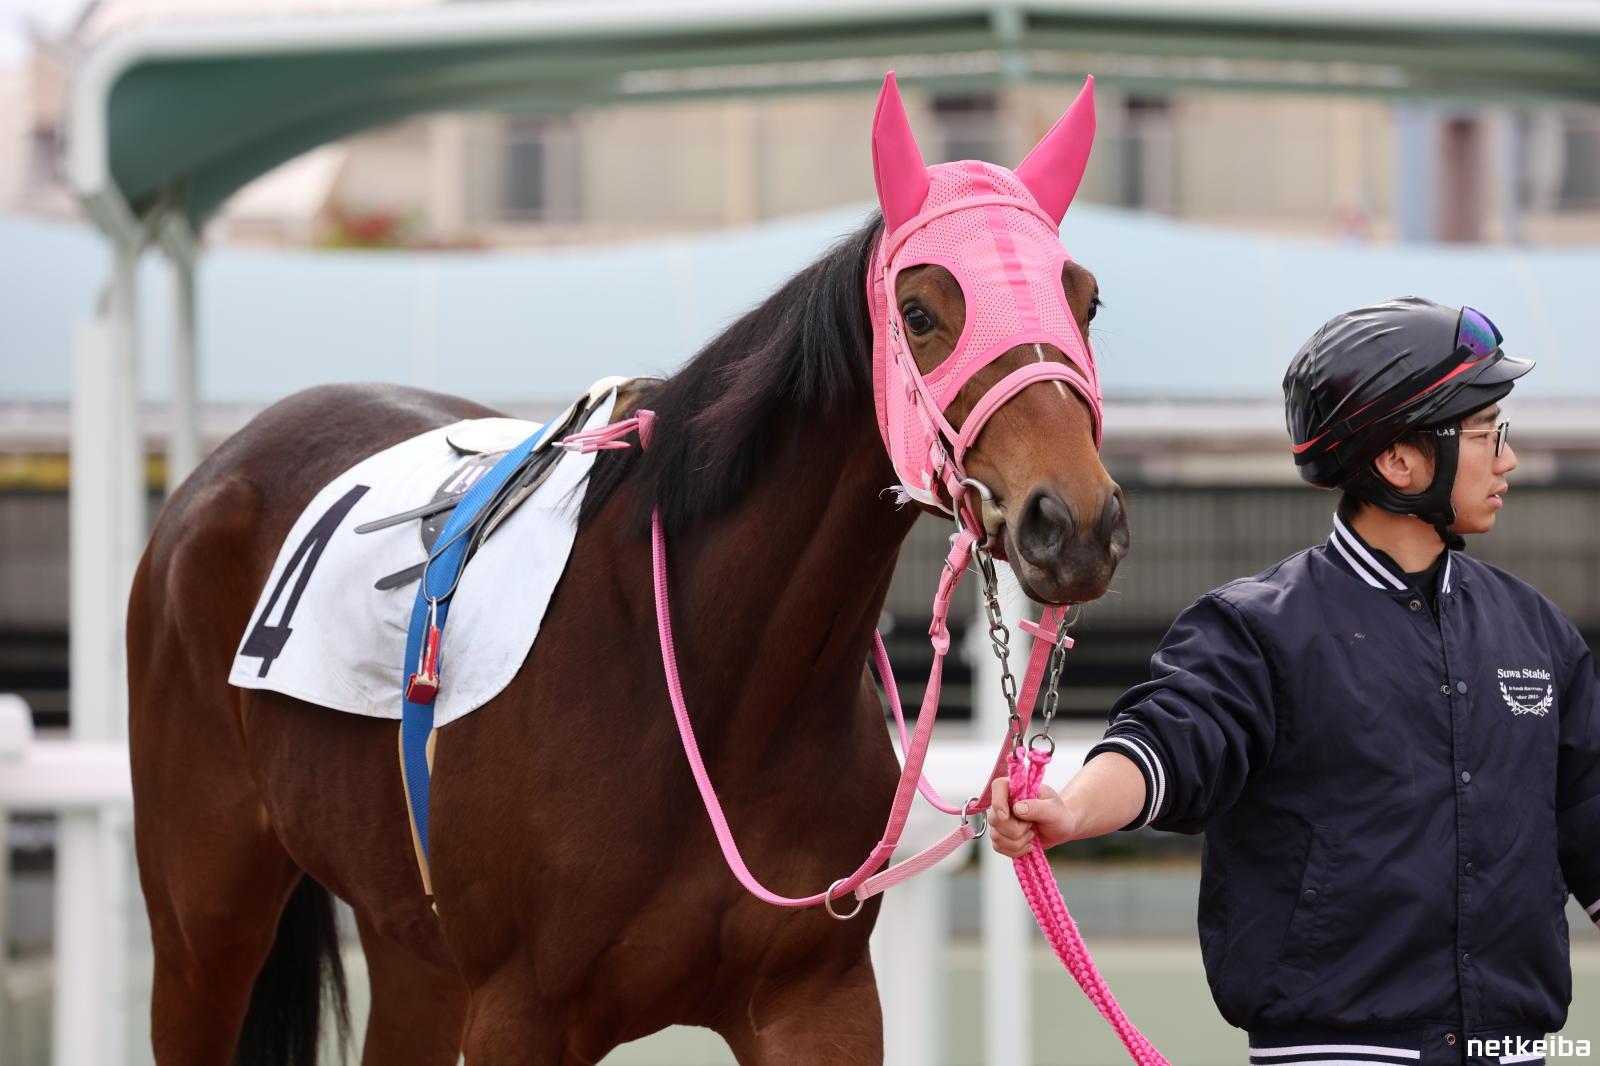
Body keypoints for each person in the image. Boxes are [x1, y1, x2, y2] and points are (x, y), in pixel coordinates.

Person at [989, 297, 1599, 1066]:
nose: (1507, 459)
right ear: (1399, 461)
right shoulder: (1255, 630)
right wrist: (1072, 809)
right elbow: (1170, 740)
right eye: (1486, 434)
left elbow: (1590, 815)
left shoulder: (1537, 632)